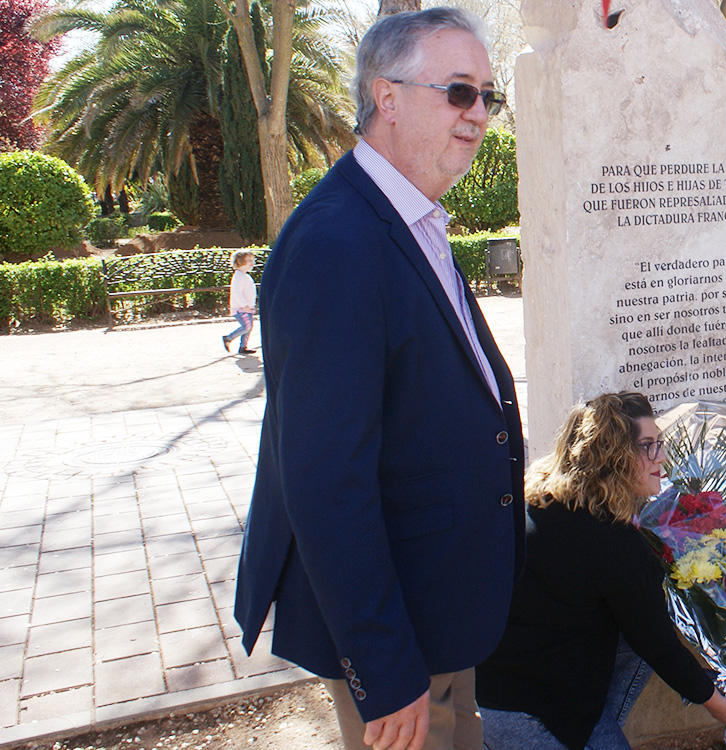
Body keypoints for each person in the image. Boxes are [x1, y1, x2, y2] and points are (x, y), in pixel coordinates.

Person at [233, 9, 523, 750]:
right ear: (384, 96)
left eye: (489, 95)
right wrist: (384, 669)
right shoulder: (337, 242)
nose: (479, 114)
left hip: (441, 609)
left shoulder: (411, 219)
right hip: (399, 638)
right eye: (459, 92)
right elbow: (326, 484)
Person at [474, 392, 726, 749]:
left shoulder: (542, 498)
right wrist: (717, 704)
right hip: (533, 715)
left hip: (497, 691)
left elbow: (644, 636)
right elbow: (657, 643)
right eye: (648, 446)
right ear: (615, 457)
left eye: (660, 443)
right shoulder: (611, 541)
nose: (661, 457)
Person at [222, 250, 257, 355]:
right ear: (240, 262)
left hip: (247, 308)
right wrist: (244, 305)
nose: (252, 263)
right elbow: (236, 292)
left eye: (252, 260)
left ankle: (243, 347)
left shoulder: (245, 276)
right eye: (249, 260)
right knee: (246, 326)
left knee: (249, 327)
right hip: (240, 308)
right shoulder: (238, 276)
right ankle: (229, 338)